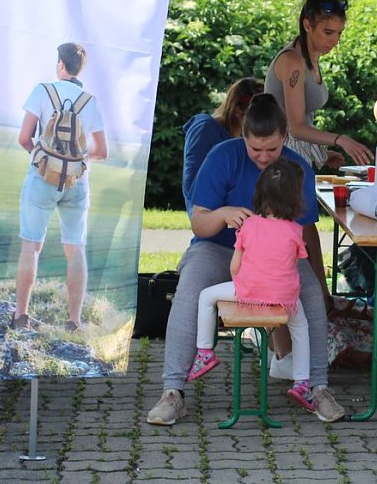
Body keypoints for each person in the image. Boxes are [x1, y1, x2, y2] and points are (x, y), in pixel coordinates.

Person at [147, 94, 345, 425]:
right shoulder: (222, 156)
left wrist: (316, 278)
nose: (265, 157)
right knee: (192, 284)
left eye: (272, 149)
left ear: (285, 136)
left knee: (309, 293)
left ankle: (317, 387)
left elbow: (304, 230)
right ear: (243, 136)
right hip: (219, 247)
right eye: (256, 149)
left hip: (276, 257)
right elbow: (200, 223)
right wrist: (223, 214)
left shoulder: (297, 168)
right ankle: (172, 392)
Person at [265, 0, 373, 311]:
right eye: (328, 31)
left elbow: (300, 123)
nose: (334, 40)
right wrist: (340, 139)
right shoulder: (293, 62)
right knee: (305, 232)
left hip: (298, 157)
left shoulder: (309, 58)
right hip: (281, 160)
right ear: (307, 24)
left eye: (339, 33)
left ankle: (318, 303)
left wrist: (322, 153)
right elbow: (295, 126)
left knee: (306, 232)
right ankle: (319, 305)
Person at [187, 158, 316, 410]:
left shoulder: (248, 225)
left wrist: (245, 282)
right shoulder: (295, 231)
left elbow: (235, 267)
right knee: (301, 328)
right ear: (295, 200)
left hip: (248, 291)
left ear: (258, 194)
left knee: (206, 297)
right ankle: (302, 381)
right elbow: (294, 262)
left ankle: (204, 352)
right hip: (285, 298)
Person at [13, 43, 107, 331]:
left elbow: (24, 137)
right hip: (76, 183)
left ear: (60, 65)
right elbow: (101, 151)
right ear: (81, 68)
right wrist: (76, 162)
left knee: (31, 247)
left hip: (42, 180)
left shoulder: (43, 91)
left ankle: (20, 316)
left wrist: (44, 161)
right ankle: (74, 320)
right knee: (75, 247)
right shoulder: (89, 101)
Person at [181, 77, 263, 216]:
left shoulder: (236, 137)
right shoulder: (206, 130)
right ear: (238, 110)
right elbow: (194, 191)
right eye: (256, 116)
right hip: (213, 224)